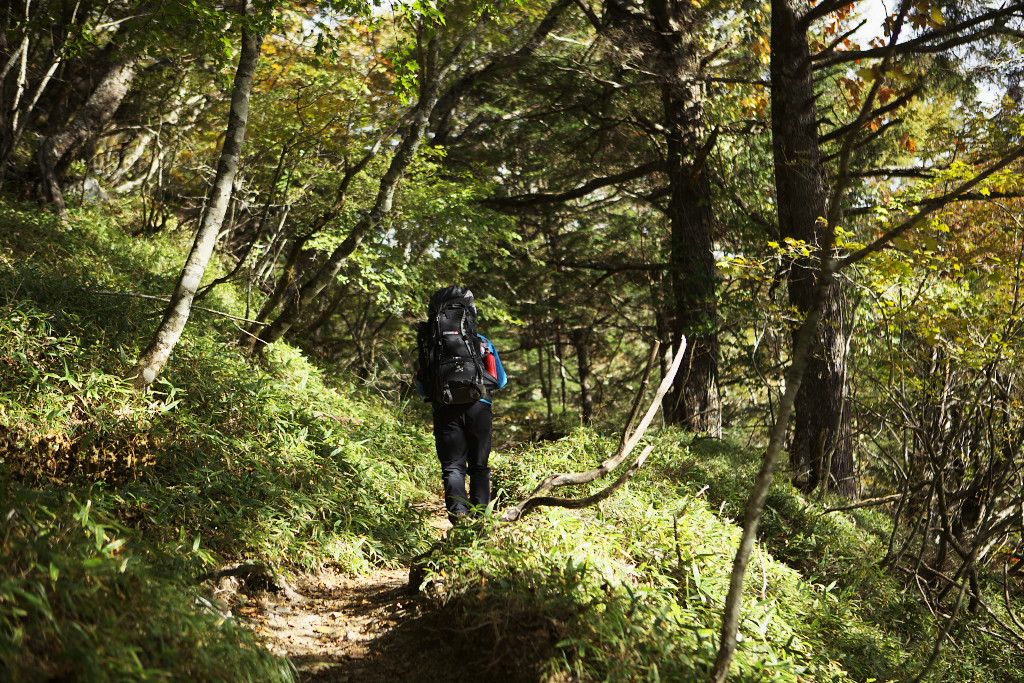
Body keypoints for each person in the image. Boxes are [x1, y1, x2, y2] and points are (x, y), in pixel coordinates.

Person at [416, 286, 507, 524]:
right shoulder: (482, 342)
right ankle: (481, 517)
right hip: (479, 405)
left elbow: (423, 387)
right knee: (479, 466)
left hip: (444, 408)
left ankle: (459, 516)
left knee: (453, 467)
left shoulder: (431, 343)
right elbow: (501, 380)